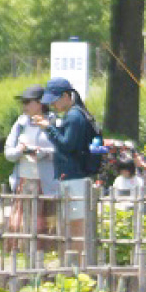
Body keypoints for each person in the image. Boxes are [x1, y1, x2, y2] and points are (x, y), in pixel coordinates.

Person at [41, 77, 99, 239]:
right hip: (73, 177)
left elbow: (67, 145)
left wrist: (48, 128)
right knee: (70, 225)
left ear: (66, 96)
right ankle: (73, 261)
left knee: (76, 226)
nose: (52, 105)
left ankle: (77, 262)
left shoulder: (74, 117)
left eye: (55, 100)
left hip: (76, 178)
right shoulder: (76, 114)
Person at [3, 84, 57, 251]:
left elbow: (63, 151)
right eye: (23, 102)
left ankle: (44, 251)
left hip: (45, 179)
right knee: (22, 219)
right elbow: (8, 153)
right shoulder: (20, 124)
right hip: (24, 179)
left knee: (43, 219)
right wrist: (20, 150)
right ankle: (20, 251)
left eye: (28, 102)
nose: (24, 106)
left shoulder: (54, 122)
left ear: (40, 103)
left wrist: (43, 153)